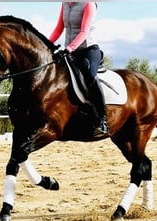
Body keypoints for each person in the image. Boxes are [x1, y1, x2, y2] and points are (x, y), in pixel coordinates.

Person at [49, 2, 109, 137]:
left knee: (90, 75)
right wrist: (46, 44)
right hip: (71, 51)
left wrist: (69, 48)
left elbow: (84, 31)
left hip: (89, 50)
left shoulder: (89, 4)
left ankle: (102, 119)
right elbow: (59, 28)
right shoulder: (65, 4)